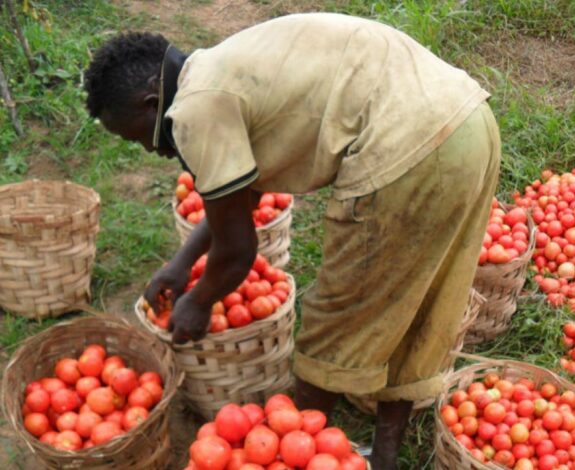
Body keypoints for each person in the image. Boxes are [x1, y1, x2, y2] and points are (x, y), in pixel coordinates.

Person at [84, 13, 500, 469]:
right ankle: (383, 457)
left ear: (150, 104)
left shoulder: (194, 111)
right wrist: (182, 263)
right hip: (467, 122)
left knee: (336, 312)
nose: (152, 150)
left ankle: (294, 450)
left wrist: (200, 300)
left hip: (409, 148)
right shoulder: (219, 68)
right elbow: (243, 192)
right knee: (416, 300)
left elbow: (237, 251)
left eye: (140, 139)